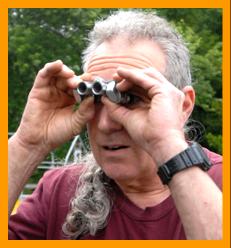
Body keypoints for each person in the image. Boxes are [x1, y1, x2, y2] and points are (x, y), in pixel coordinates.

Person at [8, 10, 222, 240]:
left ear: (183, 106)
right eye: (96, 98)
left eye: (131, 98)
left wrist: (167, 144)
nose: (106, 123)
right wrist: (26, 144)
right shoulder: (60, 192)